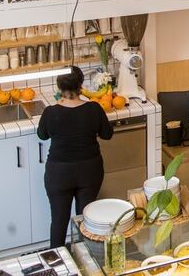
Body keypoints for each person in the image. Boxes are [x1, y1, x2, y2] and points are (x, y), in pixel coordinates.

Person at [37, 66, 113, 248]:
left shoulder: (50, 112)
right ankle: (86, 262)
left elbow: (42, 135)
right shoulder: (94, 109)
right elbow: (107, 134)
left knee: (58, 221)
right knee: (86, 220)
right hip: (89, 171)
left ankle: (58, 265)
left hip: (59, 174)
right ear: (81, 85)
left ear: (58, 87)